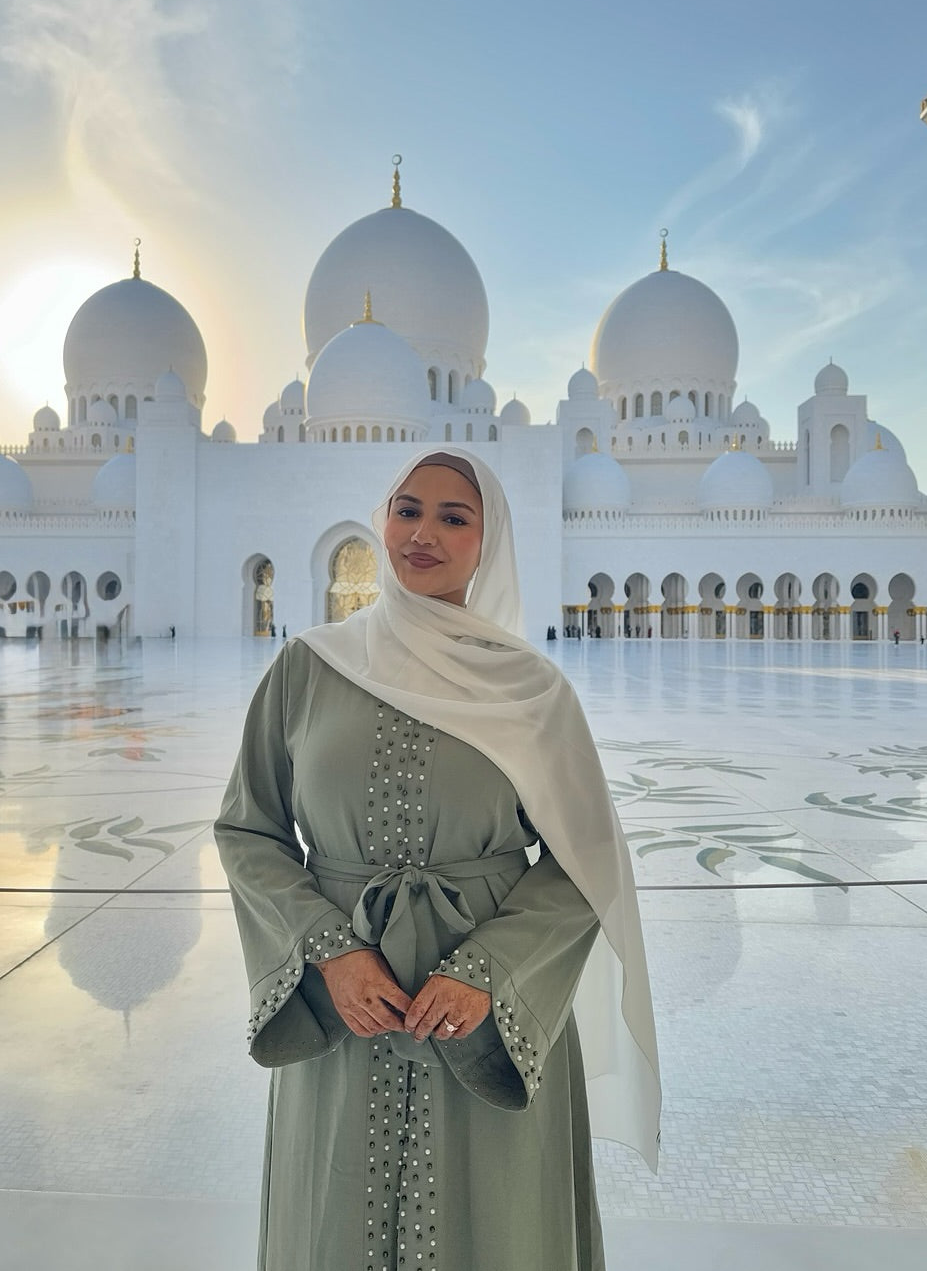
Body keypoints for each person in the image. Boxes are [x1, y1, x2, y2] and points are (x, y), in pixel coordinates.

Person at [215, 448, 661, 1271]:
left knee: (492, 1224)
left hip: (484, 1014)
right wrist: (329, 951)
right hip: (344, 1006)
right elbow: (250, 829)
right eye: (406, 509)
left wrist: (488, 970)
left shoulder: (529, 688)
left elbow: (585, 858)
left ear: (488, 541)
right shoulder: (308, 668)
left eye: (454, 517)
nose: (423, 533)